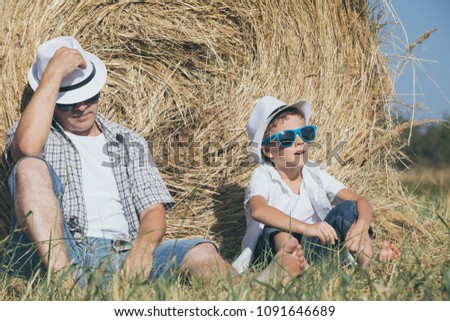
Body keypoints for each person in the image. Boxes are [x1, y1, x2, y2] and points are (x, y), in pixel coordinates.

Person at [2, 37, 305, 288]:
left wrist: (143, 248)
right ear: (50, 97)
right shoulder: (34, 134)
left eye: (89, 96)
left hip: (121, 253)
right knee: (29, 166)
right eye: (69, 100)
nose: (81, 106)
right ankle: (65, 287)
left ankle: (250, 291)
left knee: (200, 252)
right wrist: (53, 74)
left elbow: (152, 210)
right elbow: (26, 149)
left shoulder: (128, 140)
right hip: (54, 253)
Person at [232, 96, 401, 273]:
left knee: (349, 209)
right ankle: (288, 265)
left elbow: (361, 201)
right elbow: (259, 210)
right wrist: (307, 227)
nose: (299, 142)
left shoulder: (314, 174)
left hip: (313, 247)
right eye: (287, 137)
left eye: (305, 134)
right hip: (270, 252)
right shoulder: (263, 175)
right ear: (268, 151)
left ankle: (369, 264)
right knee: (278, 226)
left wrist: (362, 225)